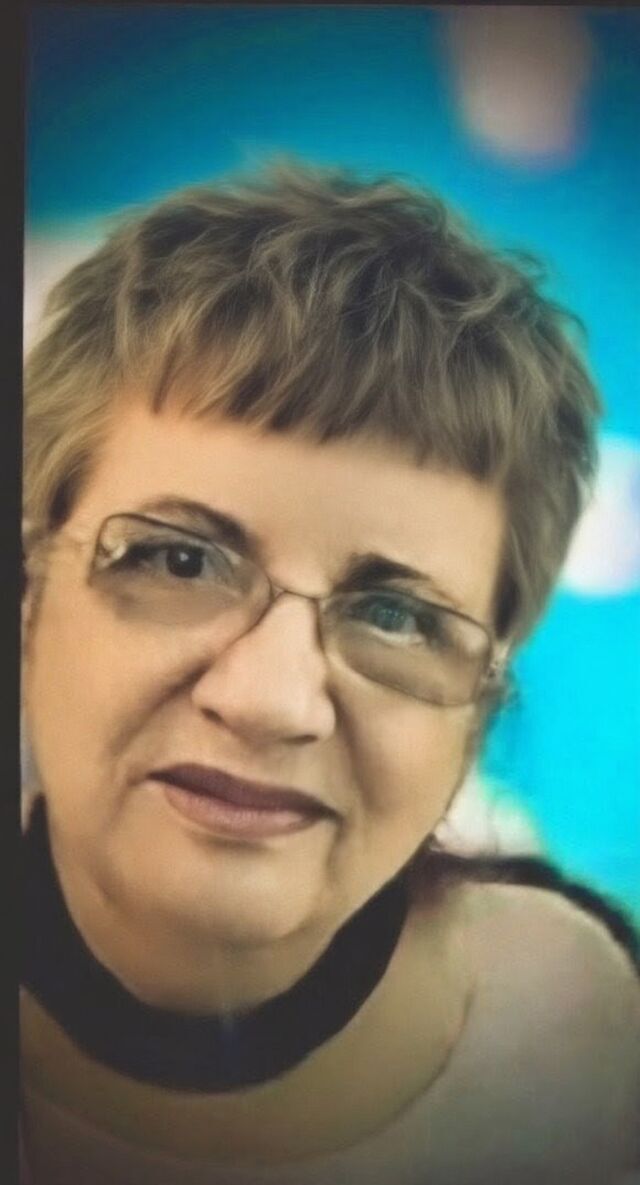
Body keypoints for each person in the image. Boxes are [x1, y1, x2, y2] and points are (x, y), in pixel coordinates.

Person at [21, 159, 640, 1185]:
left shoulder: (582, 1036)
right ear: (30, 593)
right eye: (181, 561)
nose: (269, 701)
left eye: (396, 616)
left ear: (480, 713)